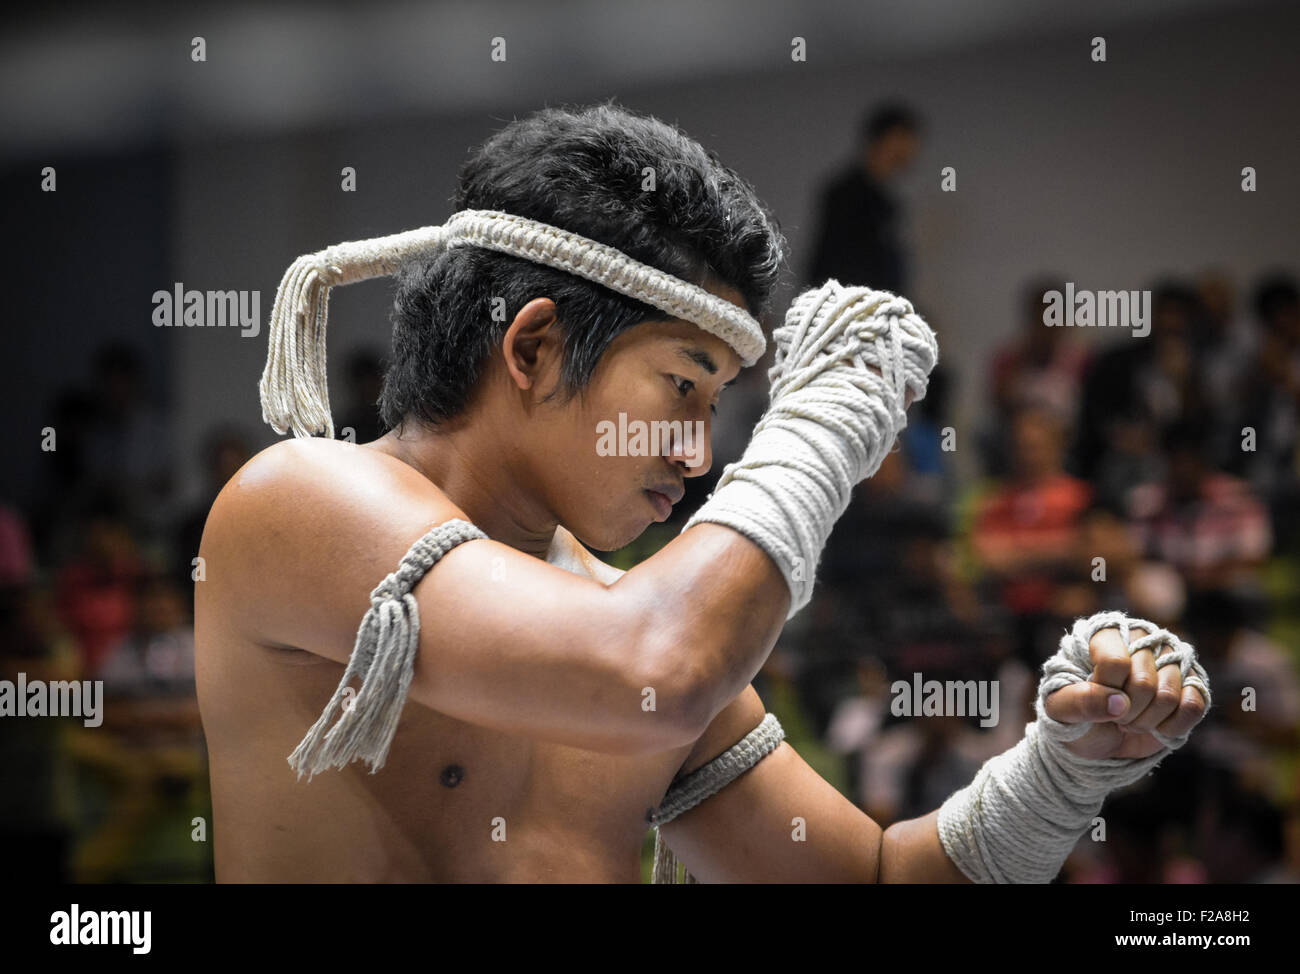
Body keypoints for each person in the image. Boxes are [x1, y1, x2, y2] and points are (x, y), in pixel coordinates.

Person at [196, 102, 1208, 883]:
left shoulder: (624, 617)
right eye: (684, 385)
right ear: (535, 347)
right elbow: (656, 661)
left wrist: (1063, 769)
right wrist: (822, 423)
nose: (694, 454)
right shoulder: (298, 498)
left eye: (719, 403)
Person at [804, 103, 921, 294]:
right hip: (854, 307)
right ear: (887, 139)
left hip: (867, 306)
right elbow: (838, 260)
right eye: (905, 139)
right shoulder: (848, 194)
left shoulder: (882, 199)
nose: (911, 150)